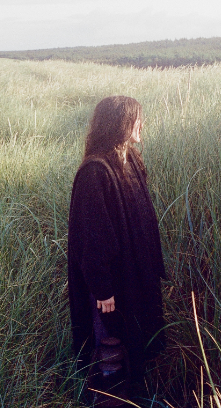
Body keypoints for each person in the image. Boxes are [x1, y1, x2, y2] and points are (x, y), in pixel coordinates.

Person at [67, 96, 167, 402]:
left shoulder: (130, 159)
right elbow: (93, 238)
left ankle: (133, 394)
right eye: (136, 119)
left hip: (133, 274)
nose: (141, 124)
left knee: (133, 341)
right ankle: (111, 399)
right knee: (110, 347)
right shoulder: (95, 172)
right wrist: (103, 289)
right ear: (119, 124)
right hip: (111, 285)